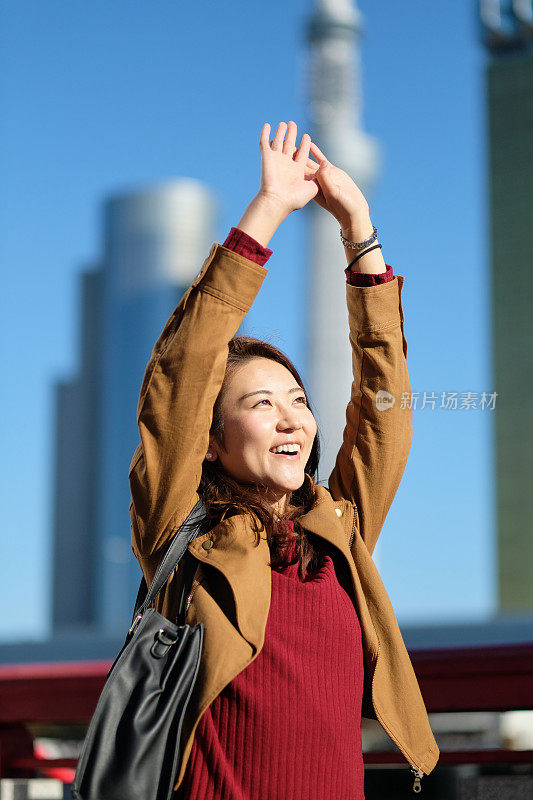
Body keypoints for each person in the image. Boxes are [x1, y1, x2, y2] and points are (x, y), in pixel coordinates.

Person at [128, 121, 439, 799]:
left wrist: (358, 231)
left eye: (296, 399)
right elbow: (179, 377)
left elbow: (385, 408)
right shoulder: (184, 534)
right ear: (210, 438)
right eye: (260, 403)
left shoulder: (339, 531)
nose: (290, 417)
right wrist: (266, 210)